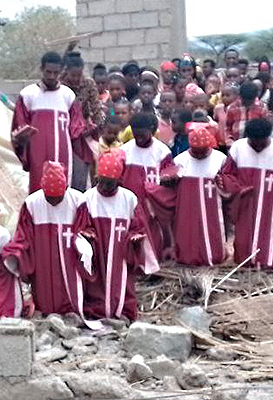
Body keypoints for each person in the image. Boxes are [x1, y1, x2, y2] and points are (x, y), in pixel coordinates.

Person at [75, 150, 159, 321]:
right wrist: (87, 233)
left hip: (121, 251)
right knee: (96, 283)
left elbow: (138, 225)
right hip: (98, 251)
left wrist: (135, 235)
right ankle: (97, 311)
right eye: (102, 182)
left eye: (110, 183)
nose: (105, 187)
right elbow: (80, 225)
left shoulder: (129, 198)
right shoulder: (88, 198)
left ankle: (124, 312)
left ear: (118, 181)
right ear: (97, 178)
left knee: (123, 283)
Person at [5, 161, 90, 316]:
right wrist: (17, 253)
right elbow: (23, 236)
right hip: (43, 257)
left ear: (66, 188)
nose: (54, 202)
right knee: (44, 297)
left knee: (71, 290)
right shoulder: (32, 203)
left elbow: (86, 228)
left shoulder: (78, 200)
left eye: (58, 198)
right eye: (49, 198)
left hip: (70, 256)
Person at [219, 119, 273, 269]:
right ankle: (243, 265)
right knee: (244, 238)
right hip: (245, 202)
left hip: (271, 203)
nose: (258, 146)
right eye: (254, 143)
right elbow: (226, 175)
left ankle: (268, 265)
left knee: (269, 238)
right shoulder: (238, 147)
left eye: (262, 143)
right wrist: (238, 190)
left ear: (268, 137)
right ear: (248, 138)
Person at [12, 51, 94, 193]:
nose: (51, 76)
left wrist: (87, 130)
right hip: (38, 153)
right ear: (41, 69)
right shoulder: (28, 95)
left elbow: (76, 128)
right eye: (48, 72)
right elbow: (19, 125)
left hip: (63, 152)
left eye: (55, 73)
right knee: (39, 191)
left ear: (61, 72)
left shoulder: (68, 95)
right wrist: (21, 139)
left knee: (62, 189)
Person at [148, 127, 228, 266]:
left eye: (203, 151)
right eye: (196, 151)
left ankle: (213, 255)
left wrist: (222, 182)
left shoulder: (220, 159)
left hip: (212, 205)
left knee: (212, 232)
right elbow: (169, 182)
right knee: (187, 232)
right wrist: (168, 180)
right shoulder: (181, 160)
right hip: (187, 204)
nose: (199, 155)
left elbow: (228, 182)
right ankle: (187, 256)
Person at [119, 113, 174, 256]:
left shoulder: (162, 151)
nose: (138, 138)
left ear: (152, 130)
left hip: (151, 203)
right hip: (130, 201)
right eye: (135, 133)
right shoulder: (124, 150)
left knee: (153, 238)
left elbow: (169, 177)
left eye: (142, 134)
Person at [62, 52, 101, 192]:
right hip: (63, 132)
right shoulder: (59, 85)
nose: (77, 79)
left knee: (80, 176)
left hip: (82, 136)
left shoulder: (88, 84)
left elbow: (96, 108)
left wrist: (96, 125)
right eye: (73, 75)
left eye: (79, 75)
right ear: (65, 72)